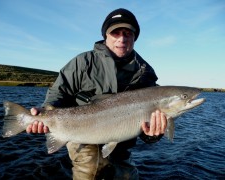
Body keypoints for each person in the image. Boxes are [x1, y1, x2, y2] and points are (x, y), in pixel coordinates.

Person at [26, 8, 167, 180]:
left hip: (121, 143)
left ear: (134, 38)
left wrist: (154, 134)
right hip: (81, 136)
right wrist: (44, 113)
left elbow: (147, 130)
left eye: (127, 33)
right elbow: (58, 93)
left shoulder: (145, 73)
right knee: (91, 168)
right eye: (116, 32)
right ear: (105, 35)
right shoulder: (82, 62)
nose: (122, 38)